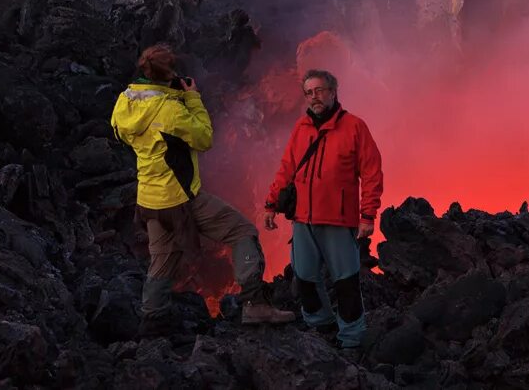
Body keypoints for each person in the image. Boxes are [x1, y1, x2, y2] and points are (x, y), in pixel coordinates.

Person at [111, 43, 295, 334]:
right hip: (181, 198)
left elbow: (120, 132)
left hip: (149, 198)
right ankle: (254, 304)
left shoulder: (125, 103)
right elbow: (204, 138)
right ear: (168, 75)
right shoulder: (170, 110)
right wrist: (193, 99)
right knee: (241, 231)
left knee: (162, 258)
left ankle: (152, 321)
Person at [264, 69, 384, 350]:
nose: (314, 97)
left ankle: (352, 339)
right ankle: (321, 325)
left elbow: (371, 173)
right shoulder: (301, 128)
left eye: (319, 90)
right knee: (304, 277)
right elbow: (287, 169)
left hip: (339, 220)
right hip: (303, 220)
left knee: (346, 281)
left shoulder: (355, 127)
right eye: (308, 92)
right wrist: (270, 204)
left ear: (333, 92)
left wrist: (368, 215)